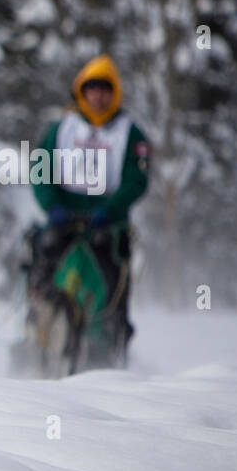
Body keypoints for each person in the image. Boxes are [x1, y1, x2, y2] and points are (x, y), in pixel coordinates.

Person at [29, 54, 150, 363]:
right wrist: (51, 206)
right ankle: (39, 329)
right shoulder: (60, 130)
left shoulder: (131, 134)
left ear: (115, 93)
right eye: (92, 89)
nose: (98, 96)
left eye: (105, 89)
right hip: (63, 215)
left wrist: (111, 209)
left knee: (112, 276)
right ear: (81, 92)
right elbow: (40, 171)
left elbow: (137, 179)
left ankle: (110, 339)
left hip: (107, 221)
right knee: (43, 261)